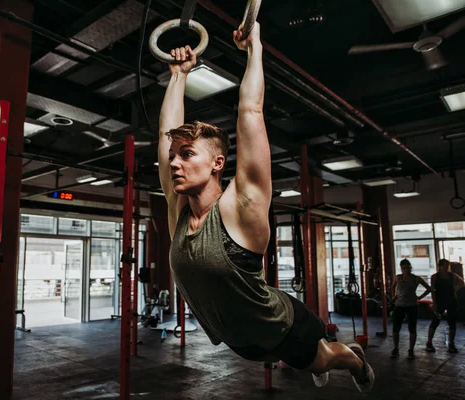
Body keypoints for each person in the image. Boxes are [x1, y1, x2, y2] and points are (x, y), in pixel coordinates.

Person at [157, 22, 374, 393]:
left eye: (187, 154)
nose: (174, 163)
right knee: (302, 360)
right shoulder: (178, 212)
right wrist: (178, 76)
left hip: (283, 328)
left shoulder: (242, 206)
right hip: (242, 343)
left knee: (321, 359)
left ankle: (350, 357)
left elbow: (251, 111)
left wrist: (254, 49)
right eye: (173, 156)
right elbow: (166, 138)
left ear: (217, 163)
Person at [390, 259, 432, 359]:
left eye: (408, 268)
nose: (406, 270)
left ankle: (411, 350)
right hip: (399, 305)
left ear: (410, 268)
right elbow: (392, 287)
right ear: (401, 269)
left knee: (412, 328)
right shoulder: (398, 278)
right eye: (404, 268)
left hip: (412, 306)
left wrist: (420, 297)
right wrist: (394, 295)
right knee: (396, 328)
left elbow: (429, 288)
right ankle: (396, 349)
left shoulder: (416, 278)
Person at [426, 259, 465, 353]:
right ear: (440, 266)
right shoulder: (435, 277)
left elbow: (462, 282)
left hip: (451, 300)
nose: (446, 267)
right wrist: (434, 303)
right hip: (440, 301)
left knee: (452, 322)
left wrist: (455, 289)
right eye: (444, 265)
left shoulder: (452, 275)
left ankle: (451, 344)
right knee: (435, 321)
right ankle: (429, 342)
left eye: (447, 265)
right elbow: (432, 291)